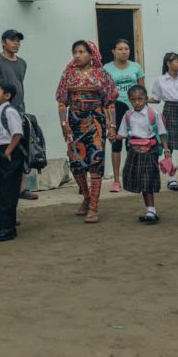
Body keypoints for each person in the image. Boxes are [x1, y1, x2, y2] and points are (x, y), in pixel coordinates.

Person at [56, 41, 118, 224]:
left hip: (96, 123)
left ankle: (93, 207)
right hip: (74, 124)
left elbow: (110, 102)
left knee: (95, 162)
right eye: (75, 51)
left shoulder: (102, 74)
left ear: (92, 54)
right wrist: (63, 123)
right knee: (76, 164)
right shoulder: (68, 74)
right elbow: (61, 101)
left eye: (81, 51)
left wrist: (112, 126)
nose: (77, 55)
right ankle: (86, 196)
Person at [0, 30, 36, 201]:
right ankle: (5, 190)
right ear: (3, 42)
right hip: (2, 113)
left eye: (18, 41)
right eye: (12, 40)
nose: (16, 43)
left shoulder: (22, 63)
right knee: (5, 151)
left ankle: (22, 188)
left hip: (19, 110)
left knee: (21, 149)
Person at [116, 85, 166, 223]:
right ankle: (150, 210)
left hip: (150, 150)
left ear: (146, 98)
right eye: (133, 99)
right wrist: (113, 135)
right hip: (134, 151)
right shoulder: (128, 116)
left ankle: (151, 210)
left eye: (140, 99)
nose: (137, 102)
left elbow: (161, 132)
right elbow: (123, 134)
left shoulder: (153, 114)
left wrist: (166, 150)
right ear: (129, 100)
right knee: (141, 181)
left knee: (147, 180)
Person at [103, 39, 145, 193]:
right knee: (116, 145)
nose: (124, 51)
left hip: (134, 108)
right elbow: (104, 94)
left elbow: (142, 90)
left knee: (135, 143)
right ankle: (116, 181)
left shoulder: (136, 67)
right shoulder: (106, 69)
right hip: (115, 108)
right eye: (120, 48)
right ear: (113, 51)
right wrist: (108, 117)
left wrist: (143, 109)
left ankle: (134, 177)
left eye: (126, 48)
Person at [0, 80, 24, 242]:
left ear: (7, 95)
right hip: (0, 151)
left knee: (8, 192)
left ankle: (7, 227)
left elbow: (17, 133)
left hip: (9, 153)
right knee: (3, 190)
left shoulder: (9, 111)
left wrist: (8, 151)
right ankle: (3, 224)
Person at [150, 52, 178, 192]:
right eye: (177, 61)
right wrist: (141, 99)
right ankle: (170, 177)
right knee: (168, 145)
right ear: (168, 63)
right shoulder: (160, 80)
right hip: (168, 110)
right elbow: (156, 98)